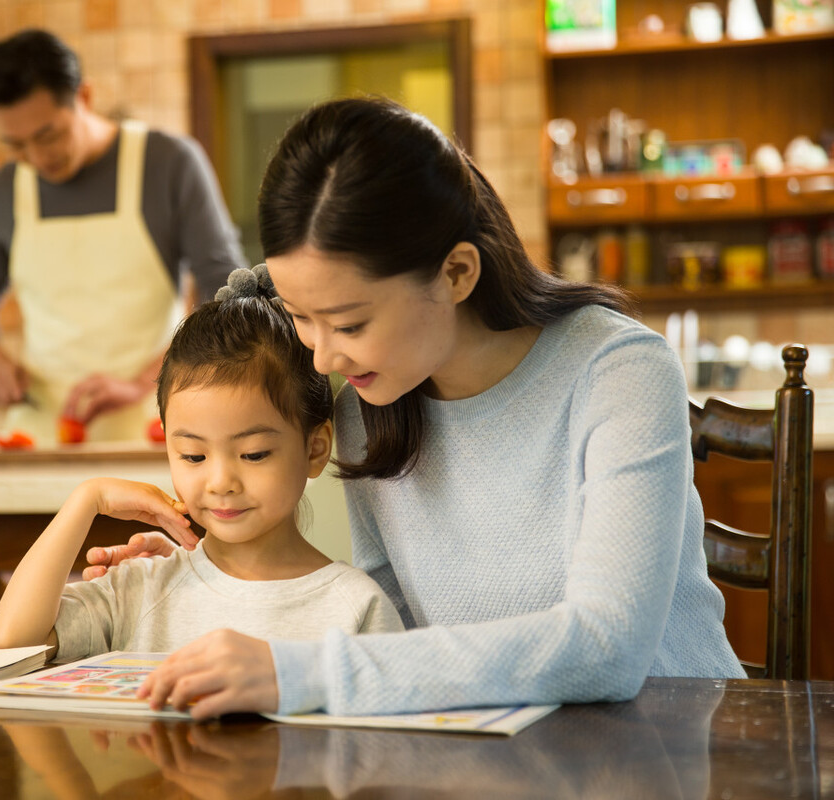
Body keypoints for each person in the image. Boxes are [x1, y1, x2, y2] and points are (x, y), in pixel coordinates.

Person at [80, 96, 746, 719]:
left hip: (669, 742)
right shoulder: (370, 398)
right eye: (302, 319)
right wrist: (209, 575)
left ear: (456, 272)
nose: (321, 359)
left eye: (348, 321)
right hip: (485, 751)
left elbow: (607, 645)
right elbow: (390, 628)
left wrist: (301, 673)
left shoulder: (618, 370)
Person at [0, 265, 404, 660]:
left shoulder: (356, 607)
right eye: (193, 456)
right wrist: (86, 499)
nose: (220, 481)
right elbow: (10, 639)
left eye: (254, 454)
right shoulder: (144, 585)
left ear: (315, 449)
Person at [0, 29, 245, 443]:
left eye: (48, 135)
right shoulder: (3, 191)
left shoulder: (169, 163)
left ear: (84, 97)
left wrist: (144, 381)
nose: (36, 159)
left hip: (157, 422)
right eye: (15, 145)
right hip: (44, 431)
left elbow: (226, 290)